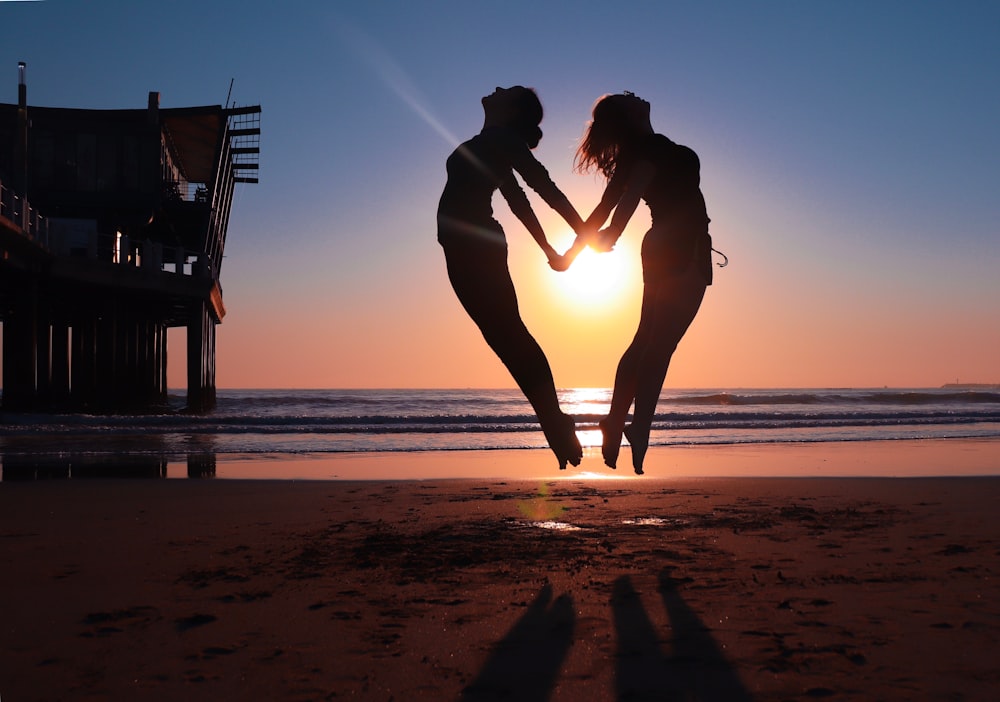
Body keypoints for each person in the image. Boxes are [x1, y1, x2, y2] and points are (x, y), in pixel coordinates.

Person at [437, 86, 587, 469]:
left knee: (509, 334)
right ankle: (552, 420)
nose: (496, 89)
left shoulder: (503, 140)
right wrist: (548, 250)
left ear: (512, 109)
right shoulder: (490, 142)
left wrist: (582, 232)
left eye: (507, 90)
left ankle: (554, 421)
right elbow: (516, 199)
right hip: (461, 246)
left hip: (476, 247)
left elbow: (543, 188)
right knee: (503, 337)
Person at [572, 92, 715, 474]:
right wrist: (611, 233)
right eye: (628, 97)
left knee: (645, 341)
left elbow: (605, 208)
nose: (637, 94)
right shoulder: (649, 150)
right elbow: (626, 202)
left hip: (672, 247)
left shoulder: (643, 151)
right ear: (628, 115)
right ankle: (639, 428)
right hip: (681, 248)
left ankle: (617, 421)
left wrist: (572, 253)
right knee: (659, 346)